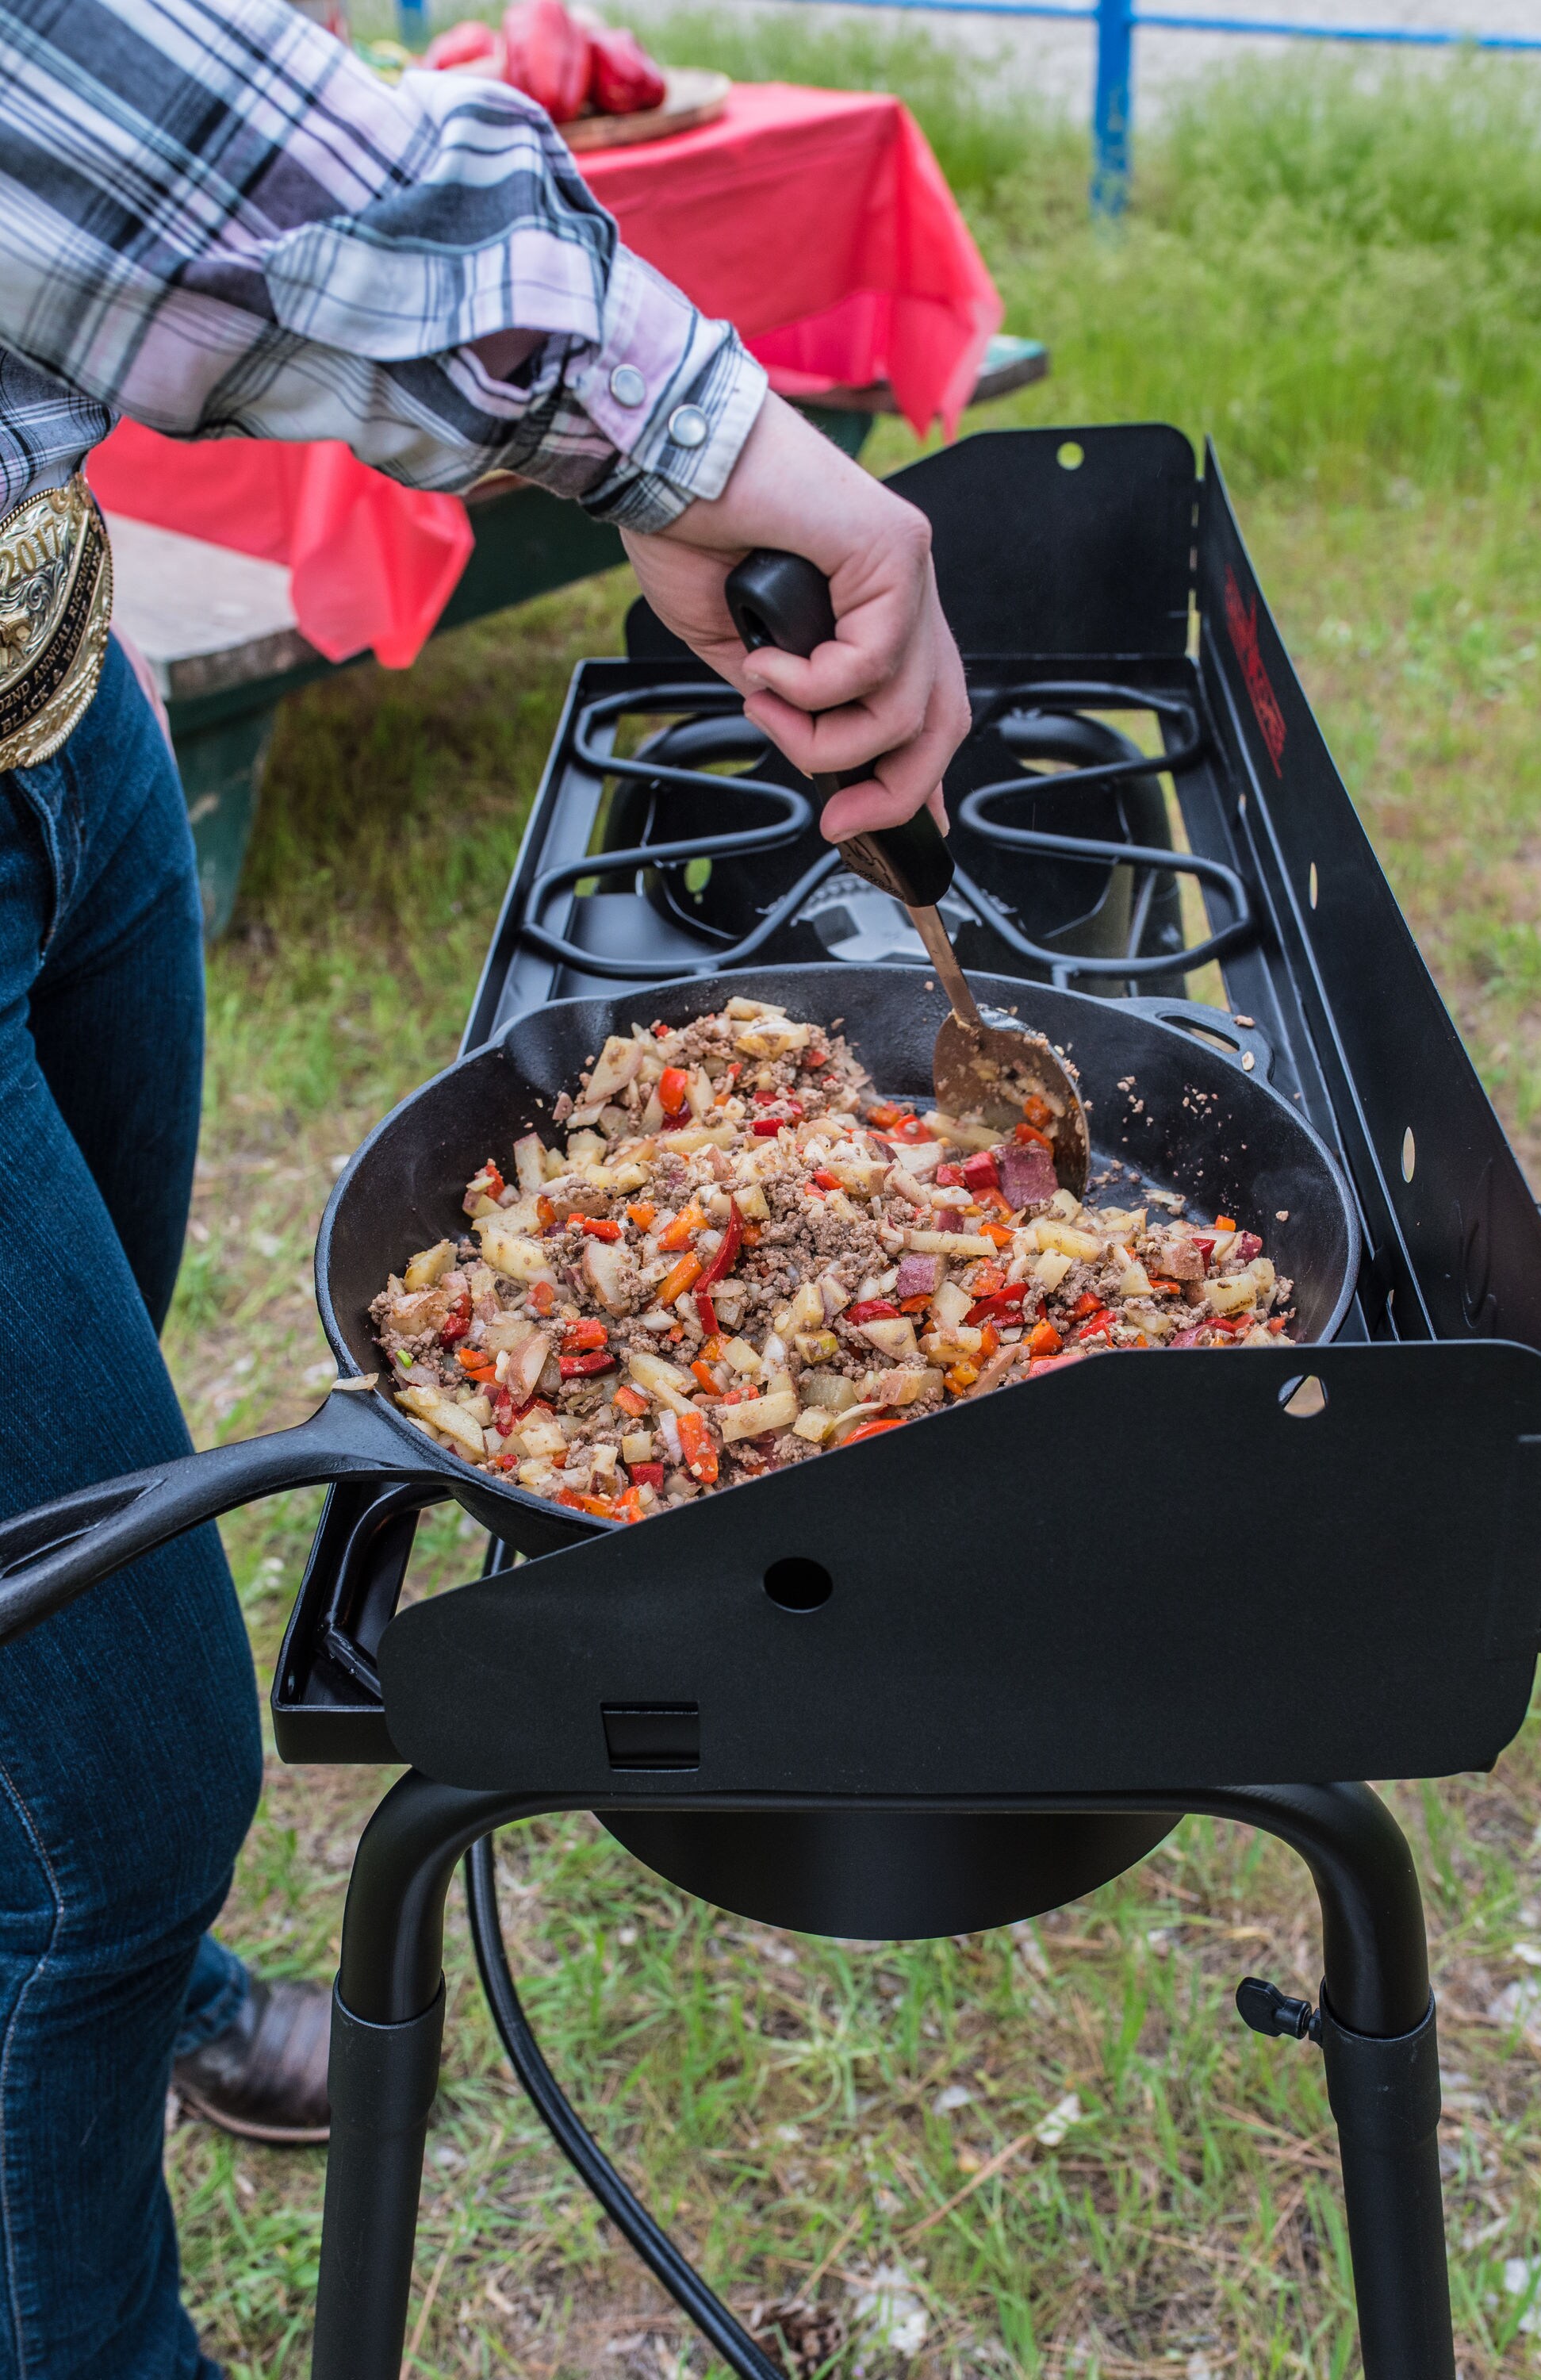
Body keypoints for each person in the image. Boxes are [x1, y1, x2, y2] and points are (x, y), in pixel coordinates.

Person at [0, 0, 969, 2370]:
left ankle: (112, 1975)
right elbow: (140, 112)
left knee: (49, 1569)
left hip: (44, 674)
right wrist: (705, 439)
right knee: (120, 1780)